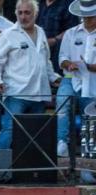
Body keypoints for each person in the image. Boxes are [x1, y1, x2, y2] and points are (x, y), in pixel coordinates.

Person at [0, 0, 61, 150]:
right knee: (9, 130)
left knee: (35, 135)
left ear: (35, 14)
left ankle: (29, 171)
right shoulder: (8, 34)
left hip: (39, 94)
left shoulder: (41, 31)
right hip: (16, 93)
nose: (23, 17)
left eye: (27, 13)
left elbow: (45, 61)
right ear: (16, 14)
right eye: (20, 13)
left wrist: (54, 77)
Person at [55, 0, 96, 156]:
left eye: (90, 16)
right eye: (84, 16)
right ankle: (61, 141)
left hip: (93, 81)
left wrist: (89, 66)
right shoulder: (71, 33)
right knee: (62, 101)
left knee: (90, 117)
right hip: (71, 76)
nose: (87, 20)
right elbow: (62, 58)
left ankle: (88, 153)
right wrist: (68, 64)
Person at [39, 0, 80, 69]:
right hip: (40, 51)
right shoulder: (39, 3)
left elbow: (73, 30)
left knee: (57, 77)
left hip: (59, 53)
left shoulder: (68, 4)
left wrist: (54, 40)